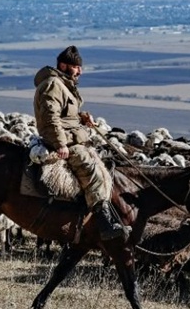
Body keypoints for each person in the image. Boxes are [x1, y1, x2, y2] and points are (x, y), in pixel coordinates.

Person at [33, 45, 126, 240]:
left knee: (103, 167)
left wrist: (81, 117)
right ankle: (104, 223)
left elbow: (65, 113)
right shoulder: (53, 84)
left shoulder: (63, 84)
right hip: (64, 140)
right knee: (92, 170)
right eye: (76, 67)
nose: (80, 71)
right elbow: (50, 117)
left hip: (72, 136)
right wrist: (60, 144)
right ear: (63, 66)